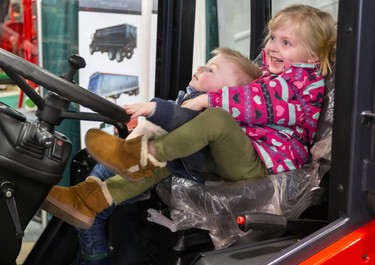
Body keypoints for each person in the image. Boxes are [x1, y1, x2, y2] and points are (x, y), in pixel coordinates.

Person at [43, 3, 336, 245]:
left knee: (216, 119)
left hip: (263, 163)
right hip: (242, 152)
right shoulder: (273, 74)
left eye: (286, 43)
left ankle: (138, 155)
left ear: (311, 56)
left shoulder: (302, 83)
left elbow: (257, 100)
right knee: (170, 158)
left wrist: (204, 101)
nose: (272, 47)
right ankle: (87, 200)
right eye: (272, 37)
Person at [49, 47, 262, 265]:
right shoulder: (190, 100)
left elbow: (181, 118)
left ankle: (92, 256)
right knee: (97, 186)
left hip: (152, 177)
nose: (201, 67)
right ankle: (84, 201)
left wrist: (151, 109)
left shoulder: (207, 115)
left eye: (211, 69)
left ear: (227, 94)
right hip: (151, 172)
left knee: (96, 206)